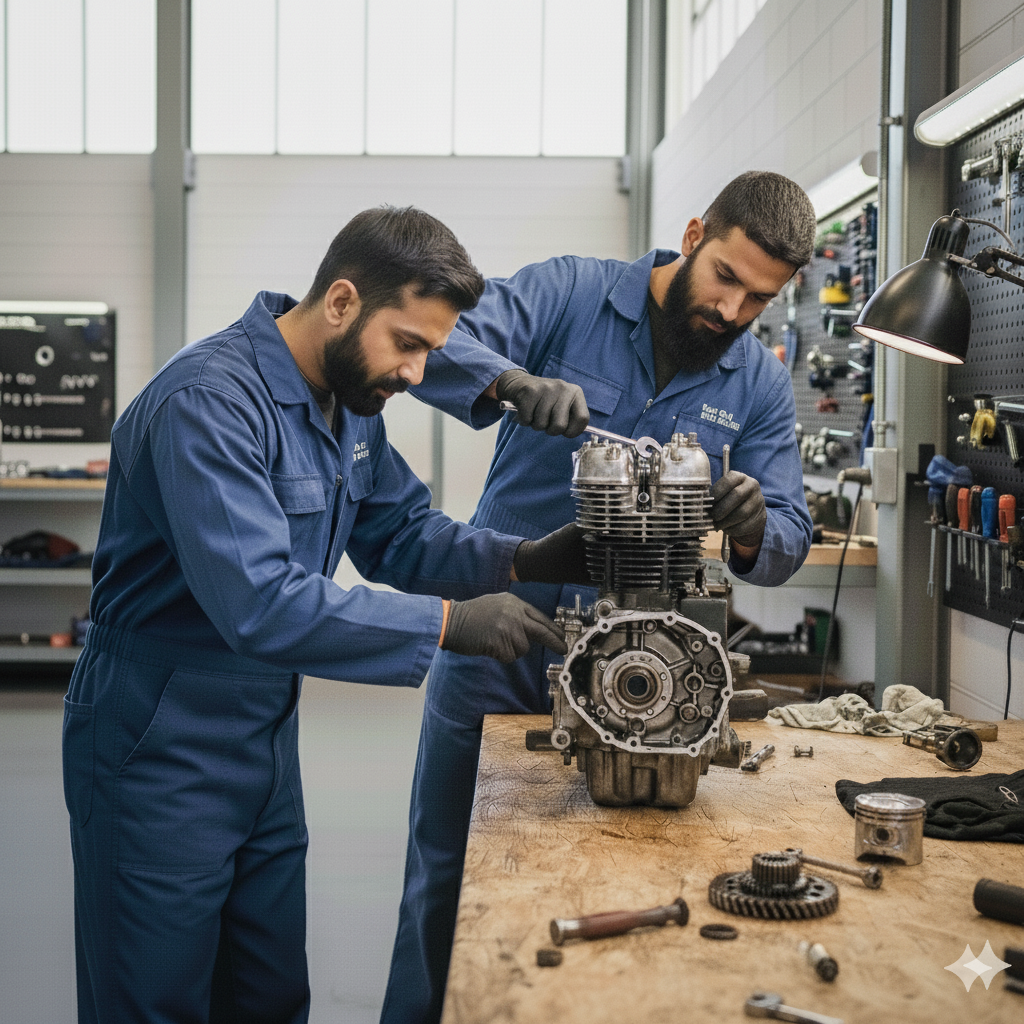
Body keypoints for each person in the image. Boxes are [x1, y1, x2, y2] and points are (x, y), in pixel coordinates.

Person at [62, 206, 592, 1024]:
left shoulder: (348, 405)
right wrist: (449, 625)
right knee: (155, 999)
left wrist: (525, 559)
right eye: (409, 344)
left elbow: (402, 534)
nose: (419, 373)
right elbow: (261, 604)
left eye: (432, 351)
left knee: (268, 994)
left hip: (262, 736)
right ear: (341, 302)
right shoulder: (208, 402)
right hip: (155, 739)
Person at [382, 170, 818, 1023]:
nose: (731, 312)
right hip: (504, 641)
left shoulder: (758, 384)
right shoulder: (570, 293)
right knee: (450, 880)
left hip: (650, 671)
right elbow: (431, 345)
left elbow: (788, 540)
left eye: (757, 300)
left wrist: (753, 521)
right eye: (726, 277)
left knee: (636, 883)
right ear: (694, 234)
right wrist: (507, 381)